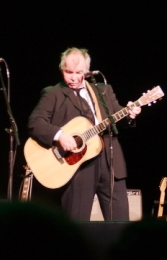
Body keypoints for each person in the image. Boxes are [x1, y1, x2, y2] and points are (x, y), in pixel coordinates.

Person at [27, 47, 141, 221]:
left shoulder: (103, 90)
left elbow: (117, 116)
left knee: (120, 226)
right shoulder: (54, 93)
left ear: (87, 72)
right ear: (62, 69)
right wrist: (60, 135)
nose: (73, 77)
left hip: (111, 163)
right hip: (78, 166)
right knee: (77, 228)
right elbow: (35, 122)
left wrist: (130, 115)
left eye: (78, 72)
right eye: (68, 72)